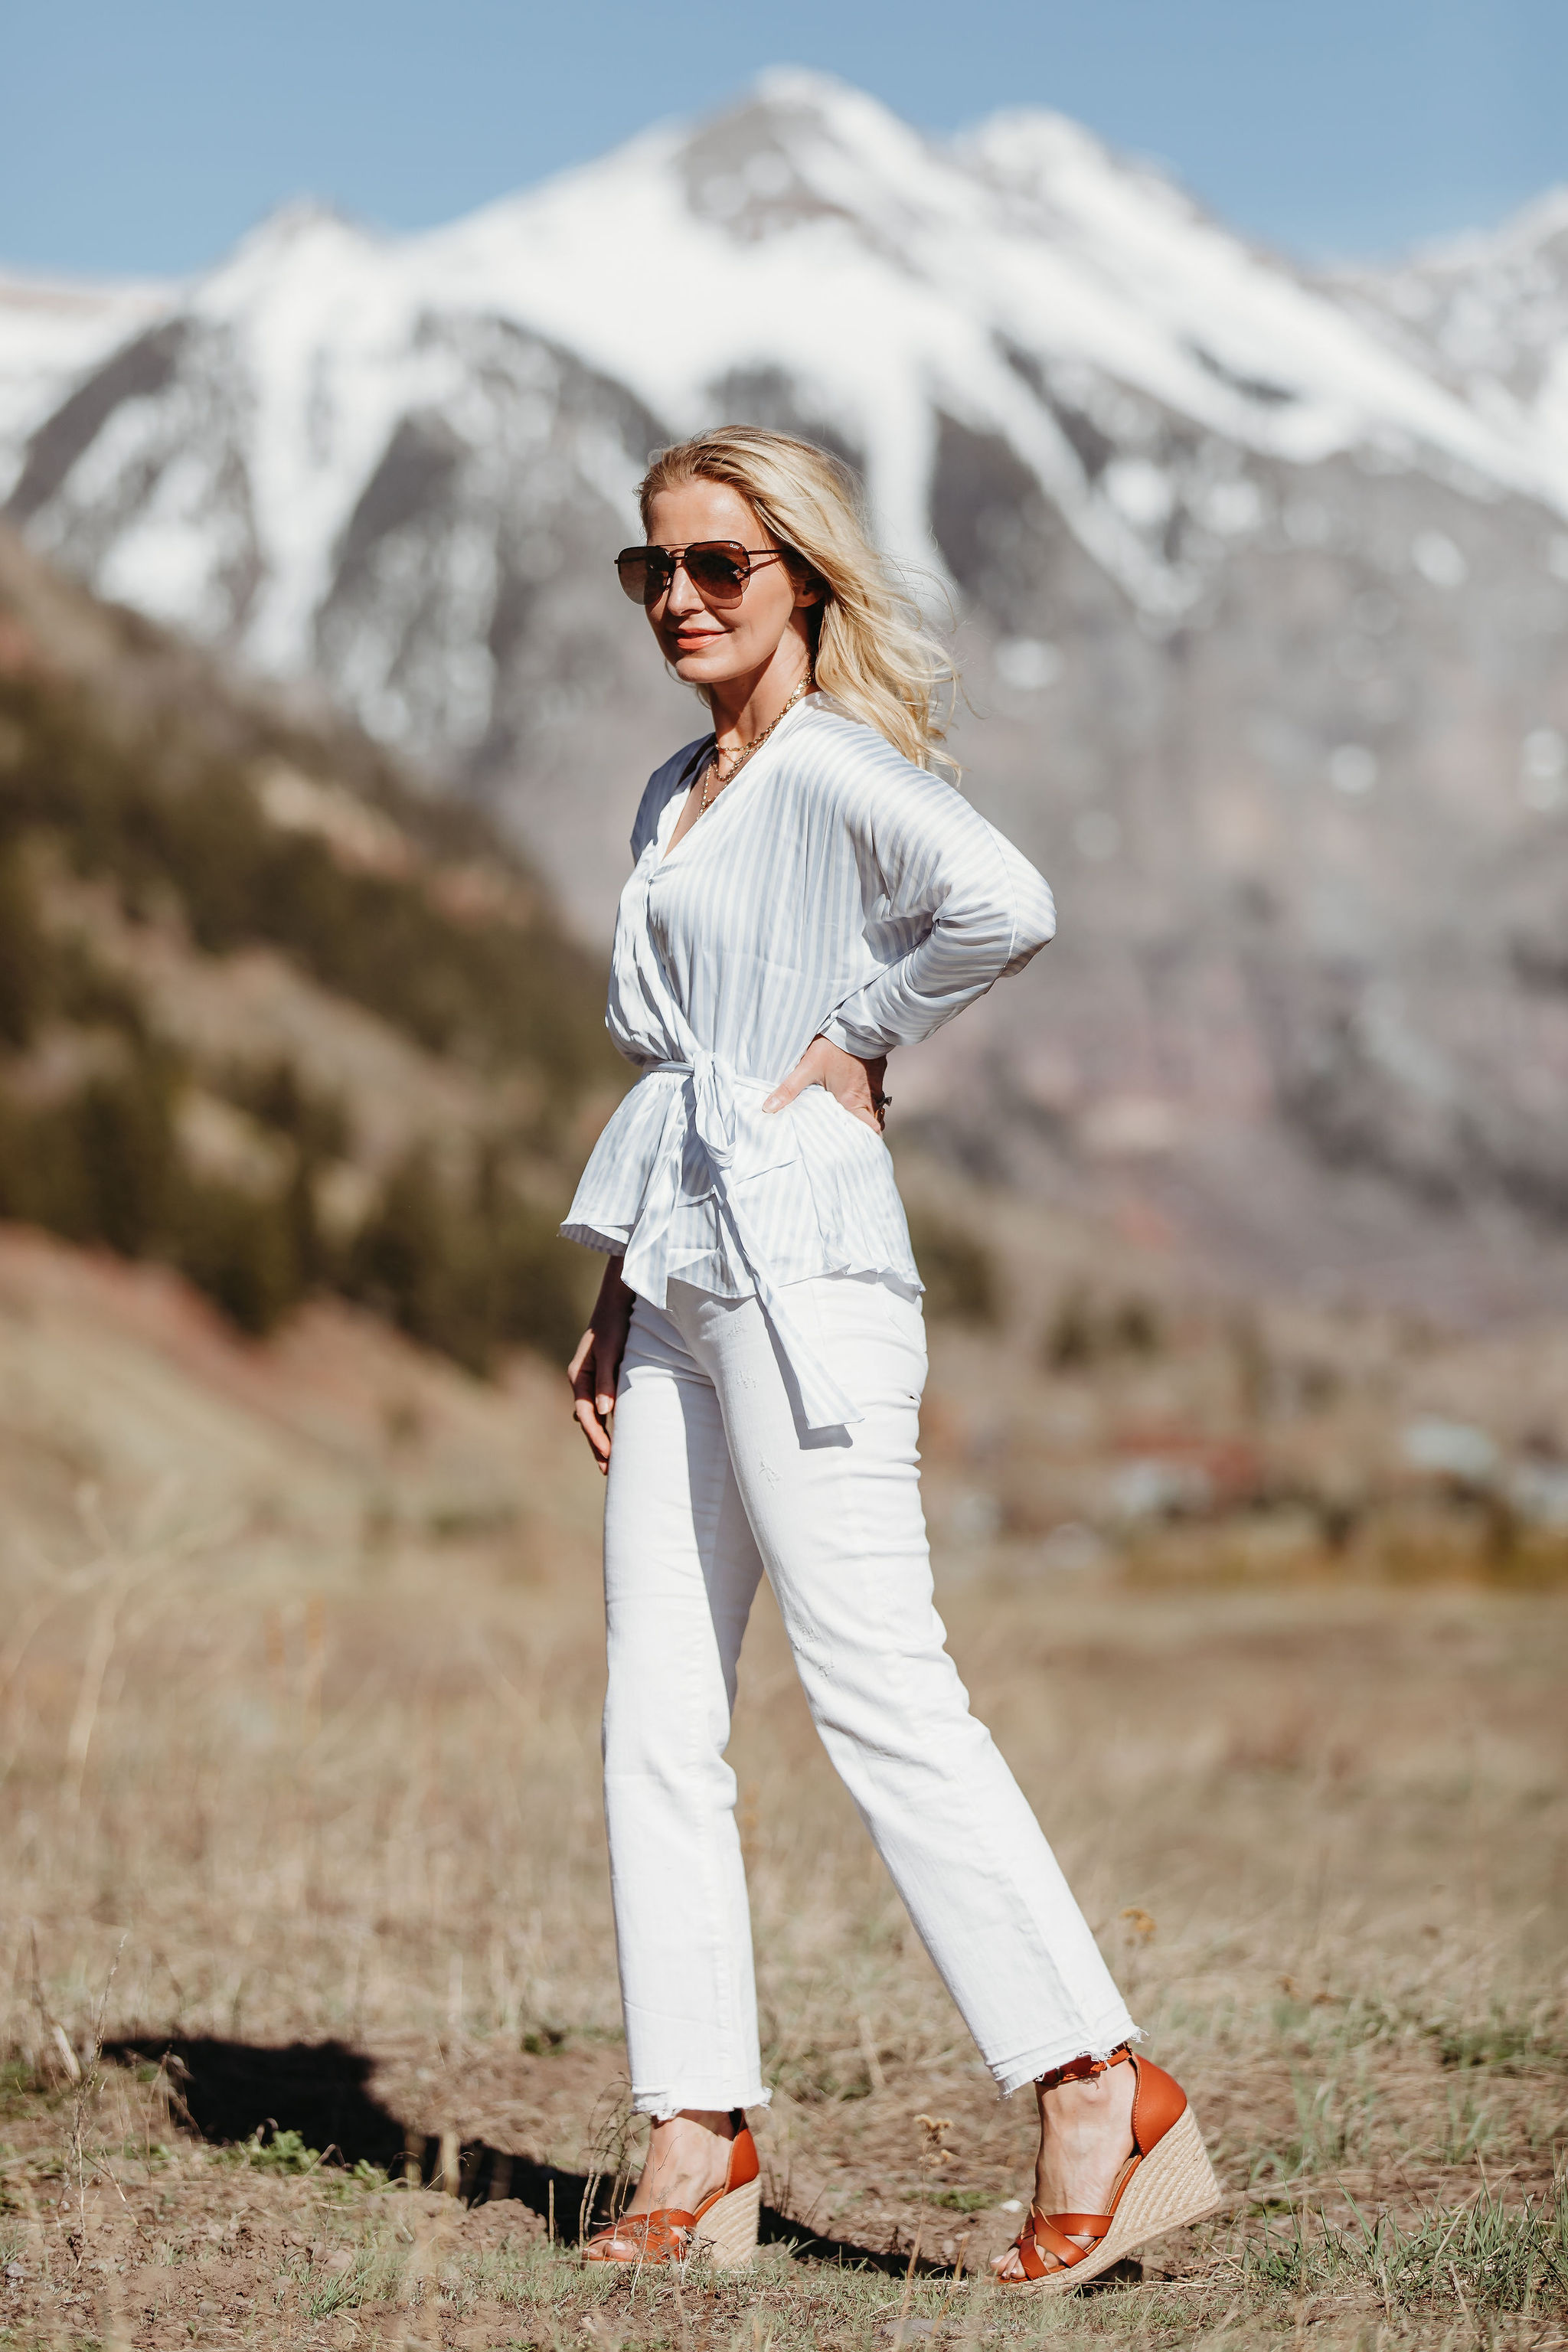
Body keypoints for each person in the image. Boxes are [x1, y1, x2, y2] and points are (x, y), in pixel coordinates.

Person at [560, 427, 1220, 2291]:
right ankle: (699, 2132)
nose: (678, 600)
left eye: (718, 568)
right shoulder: (673, 792)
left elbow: (1005, 902)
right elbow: (667, 1067)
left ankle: (1098, 2082)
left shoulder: (838, 769)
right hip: (687, 1268)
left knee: (879, 1690)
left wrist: (863, 1026)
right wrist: (615, 1293)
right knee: (656, 1718)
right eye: (651, 571)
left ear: (804, 585)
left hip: (814, 1272)